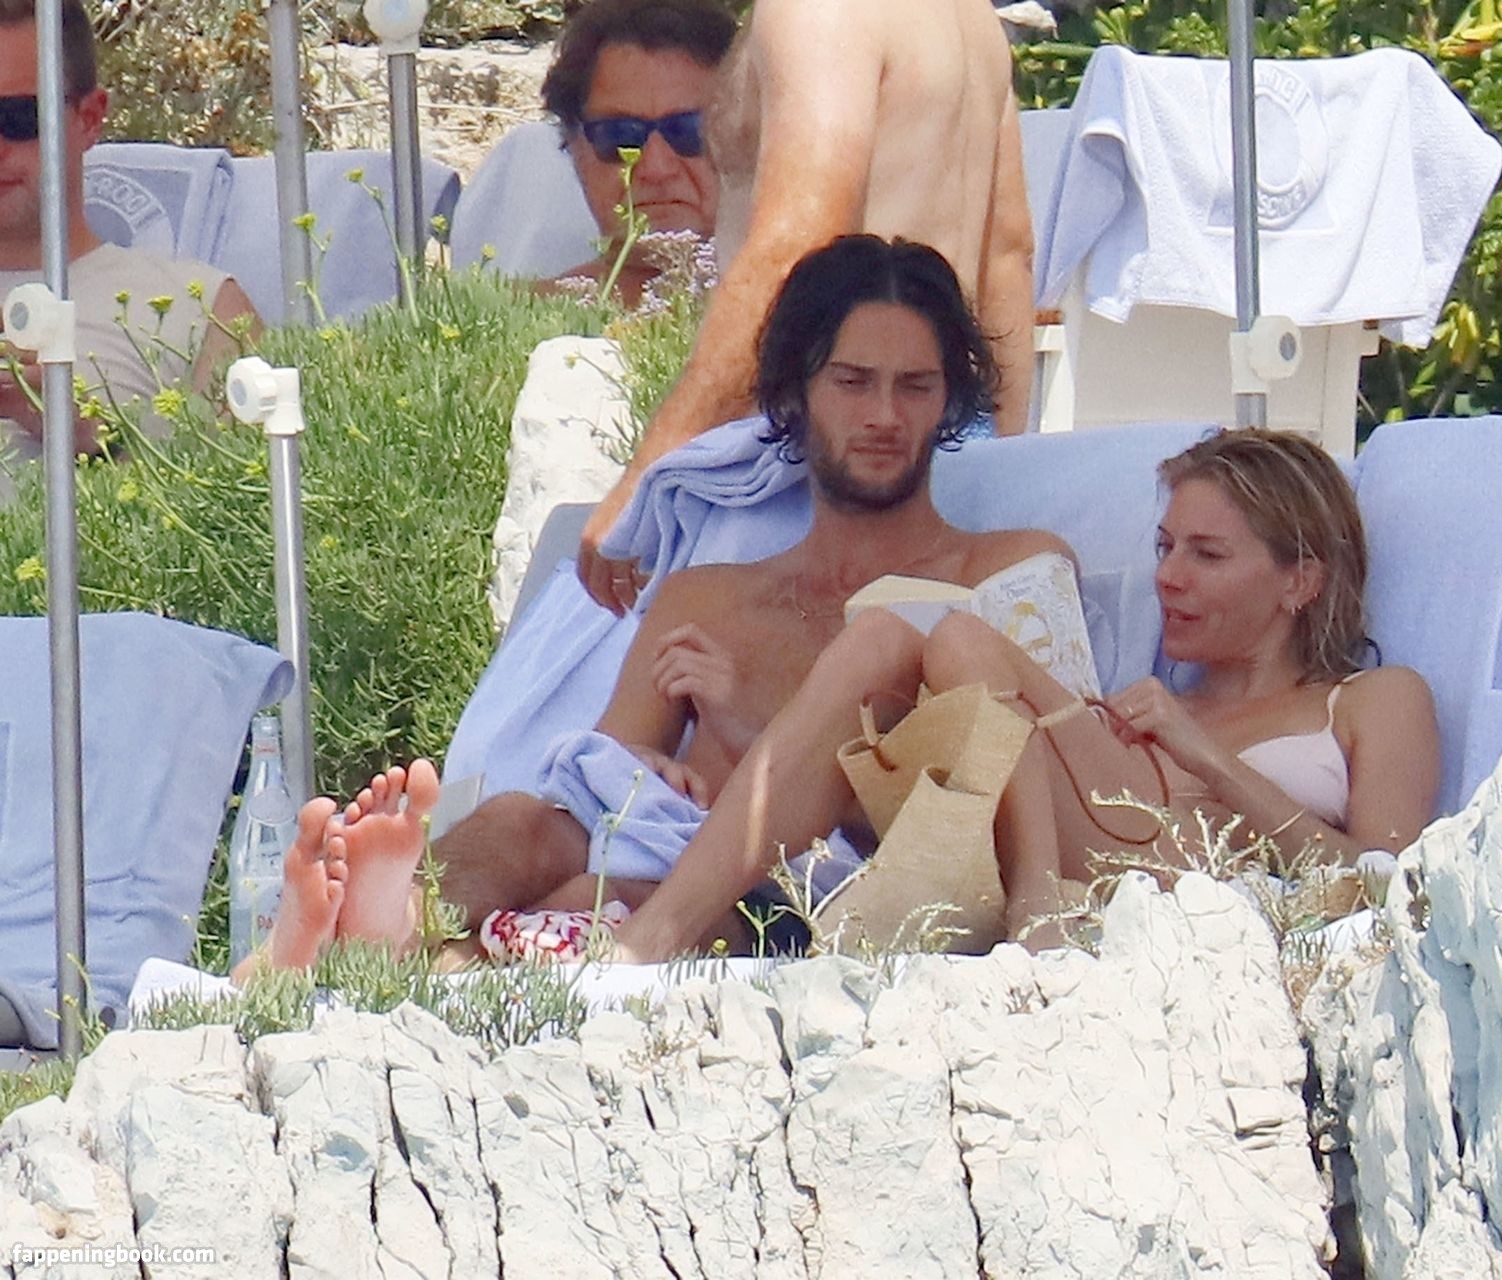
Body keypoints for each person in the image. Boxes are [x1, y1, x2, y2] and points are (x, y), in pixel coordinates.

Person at [248, 234, 1069, 973]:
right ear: (795, 393)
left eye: (916, 386)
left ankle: (404, 953)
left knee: (598, 899)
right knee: (526, 823)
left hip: (798, 901)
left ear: (948, 401)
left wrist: (745, 730)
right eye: (853, 382)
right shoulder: (704, 601)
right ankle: (382, 926)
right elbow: (601, 787)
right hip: (638, 865)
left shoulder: (1002, 575)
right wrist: (649, 768)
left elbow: (1034, 816)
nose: (885, 416)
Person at [597, 428, 1441, 961]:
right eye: (1165, 547)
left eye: (1207, 556)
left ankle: (1038, 906)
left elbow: (1383, 884)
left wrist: (1207, 760)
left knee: (963, 640)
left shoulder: (1373, 699)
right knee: (885, 641)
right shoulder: (1154, 700)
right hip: (1081, 838)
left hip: (1187, 881)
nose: (1169, 577)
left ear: (1301, 580)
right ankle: (655, 935)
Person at [573, 0, 1038, 615]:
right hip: (942, 435)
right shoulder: (971, 18)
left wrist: (645, 480)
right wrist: (995, 469)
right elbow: (1008, 253)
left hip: (828, 465)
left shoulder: (818, 11)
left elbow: (794, 248)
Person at [0, 0, 256, 458]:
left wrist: (86, 432)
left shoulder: (205, 310)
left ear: (89, 118)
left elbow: (249, 489)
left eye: (19, 118)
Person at [536, 0, 733, 308]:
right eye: (619, 134)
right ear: (573, 147)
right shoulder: (525, 318)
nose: (656, 168)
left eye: (689, 129)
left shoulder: (805, 315)